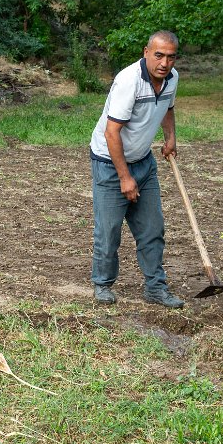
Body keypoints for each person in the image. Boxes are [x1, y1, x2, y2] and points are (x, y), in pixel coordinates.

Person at [88, 30, 184, 308]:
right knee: (109, 230)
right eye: (159, 55)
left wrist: (170, 138)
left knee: (152, 228)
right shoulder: (128, 81)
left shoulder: (171, 79)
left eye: (170, 57)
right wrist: (124, 177)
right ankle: (103, 284)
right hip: (109, 163)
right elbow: (111, 133)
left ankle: (156, 288)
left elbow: (168, 108)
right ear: (146, 52)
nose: (164, 63)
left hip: (143, 161)